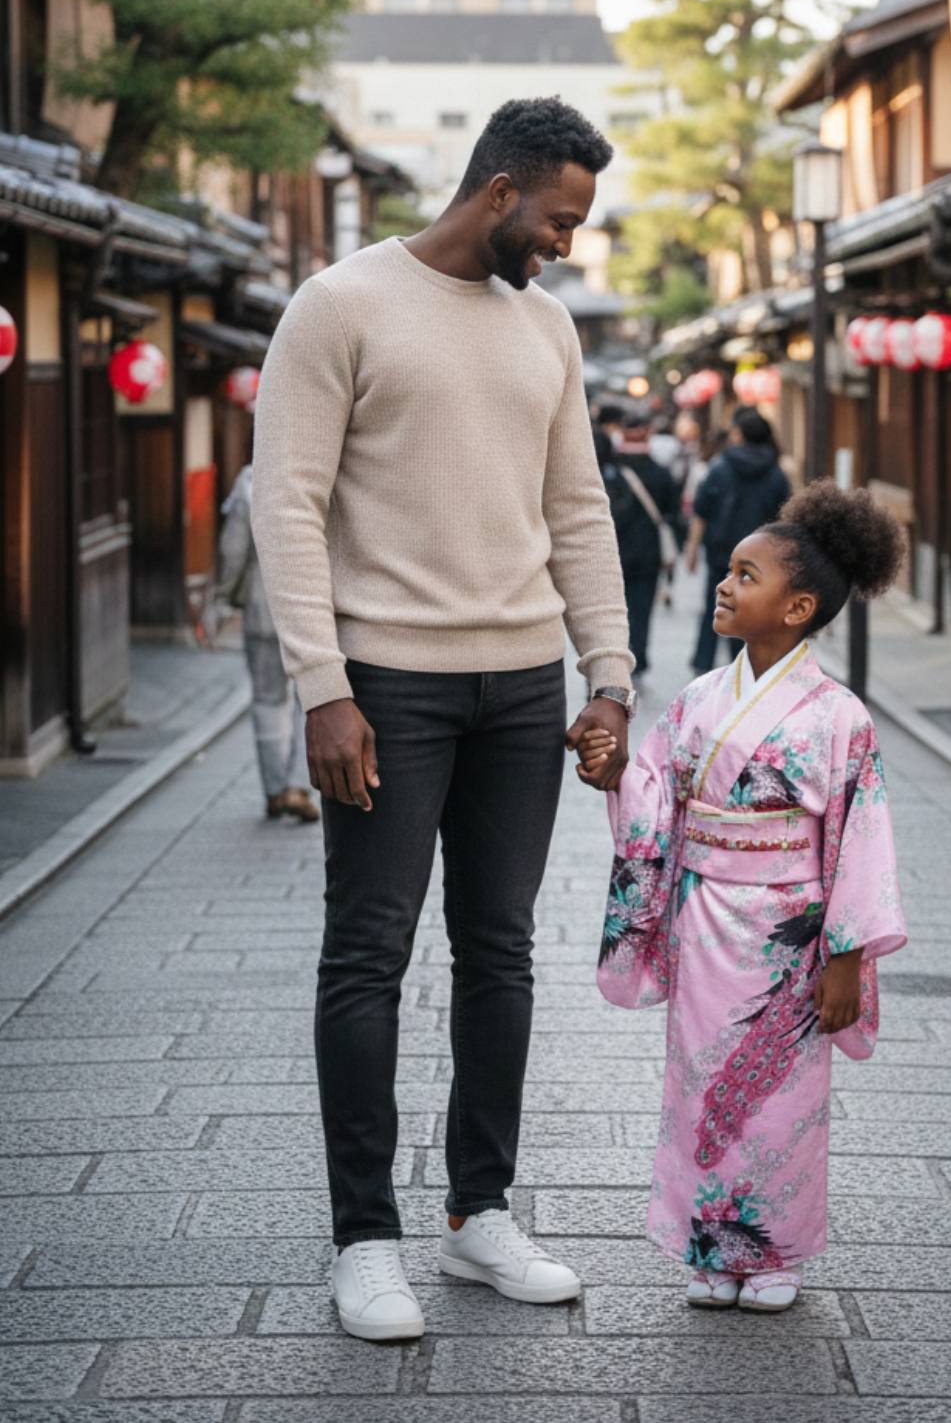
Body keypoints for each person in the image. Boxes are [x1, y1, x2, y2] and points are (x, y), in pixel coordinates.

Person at [250, 97, 636, 1344]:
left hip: (522, 684)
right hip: (388, 684)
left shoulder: (547, 331)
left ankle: (479, 1218)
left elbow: (578, 509)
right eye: (562, 217)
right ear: (500, 190)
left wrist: (610, 673)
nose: (570, 242)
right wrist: (324, 686)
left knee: (502, 951)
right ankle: (365, 1238)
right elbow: (290, 509)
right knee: (368, 955)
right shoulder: (340, 304)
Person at [578, 481, 907, 1313]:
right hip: (702, 920)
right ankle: (709, 1246)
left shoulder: (840, 717)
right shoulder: (697, 699)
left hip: (787, 935)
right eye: (727, 570)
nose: (722, 585)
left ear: (797, 608)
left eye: (744, 574)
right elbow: (657, 796)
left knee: (783, 1095)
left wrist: (845, 953)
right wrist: (617, 771)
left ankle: (772, 1251)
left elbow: (859, 841)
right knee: (697, 1083)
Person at [216, 464, 319, 824]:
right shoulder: (318, 473)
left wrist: (226, 594)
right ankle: (298, 784)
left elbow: (233, 549)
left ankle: (276, 790)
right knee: (314, 698)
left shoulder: (248, 483)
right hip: (315, 609)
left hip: (263, 606)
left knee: (267, 698)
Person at [686, 407, 790, 675]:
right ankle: (743, 663)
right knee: (752, 610)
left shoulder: (721, 467)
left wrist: (692, 549)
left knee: (714, 604)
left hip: (722, 550)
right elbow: (785, 519)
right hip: (762, 558)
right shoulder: (776, 473)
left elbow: (702, 511)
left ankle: (703, 661)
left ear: (740, 435)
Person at [613, 413, 680, 674]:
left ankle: (618, 655)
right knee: (642, 607)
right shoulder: (660, 473)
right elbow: (672, 512)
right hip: (648, 551)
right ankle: (638, 656)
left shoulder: (611, 471)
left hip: (615, 550)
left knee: (616, 609)